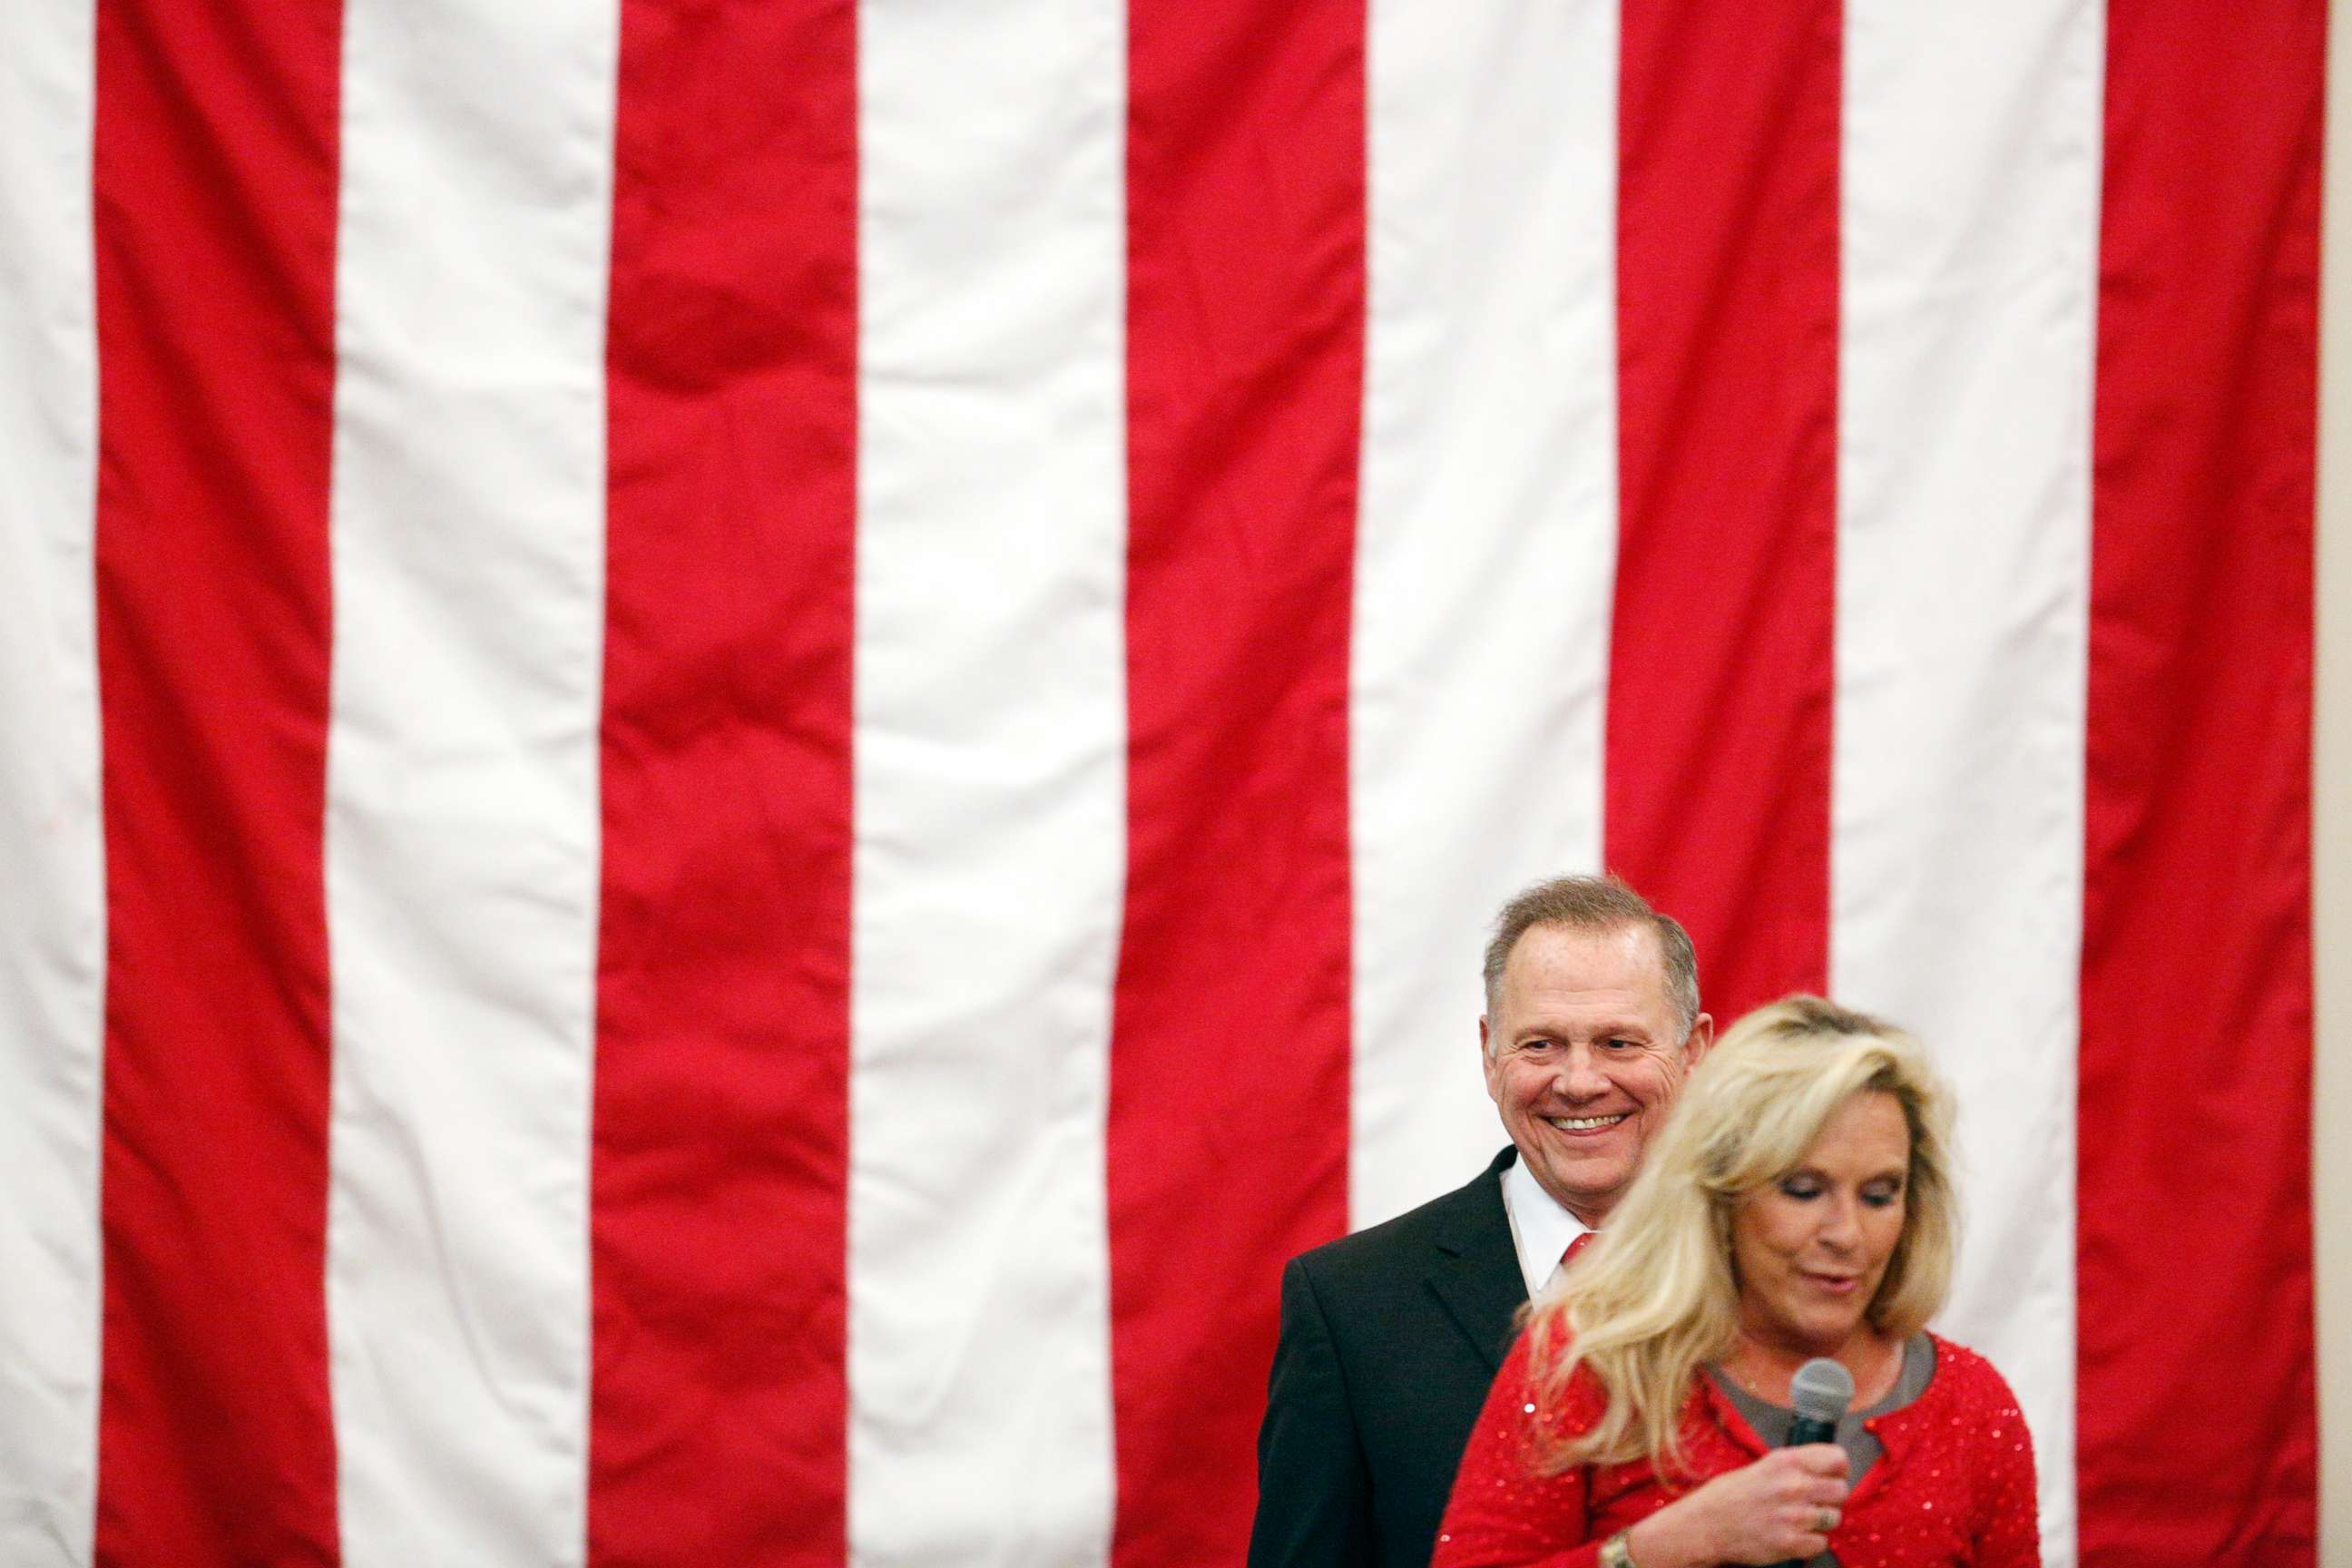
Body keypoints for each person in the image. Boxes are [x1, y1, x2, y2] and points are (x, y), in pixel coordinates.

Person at [1431, 996, 2039, 1568]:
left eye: (1880, 1195)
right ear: (1720, 1192)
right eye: (1803, 1190)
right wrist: (1658, 1549)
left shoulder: (1973, 1405)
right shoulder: (1590, 1364)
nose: (1846, 1234)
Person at [1250, 876, 1714, 1568]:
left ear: (1694, 1051)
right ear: (1489, 1053)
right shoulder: (1352, 1304)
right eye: (1541, 1046)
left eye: (1618, 1043)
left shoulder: (1770, 1277)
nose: (1580, 1081)